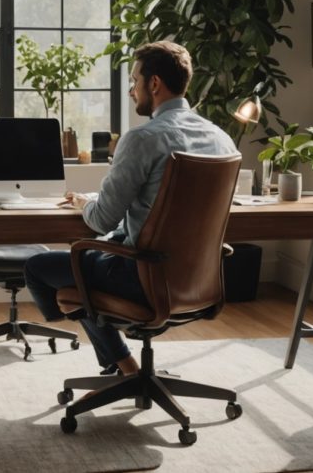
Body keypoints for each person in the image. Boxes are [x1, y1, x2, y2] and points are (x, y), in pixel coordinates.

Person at [24, 41, 237, 376]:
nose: (131, 90)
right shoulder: (221, 139)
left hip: (141, 279)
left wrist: (87, 203)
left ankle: (119, 360)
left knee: (40, 269)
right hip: (199, 281)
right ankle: (122, 364)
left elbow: (101, 219)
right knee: (80, 279)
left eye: (135, 80)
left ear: (154, 84)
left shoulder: (143, 139)